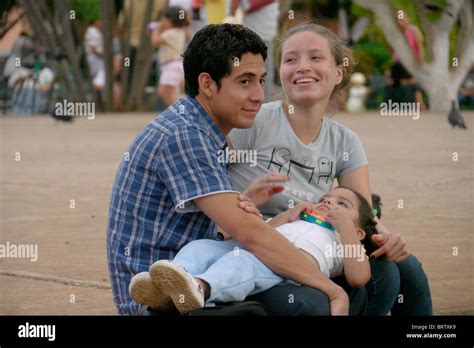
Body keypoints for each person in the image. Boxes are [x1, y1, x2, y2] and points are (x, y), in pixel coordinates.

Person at [107, 24, 350, 316]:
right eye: (245, 82)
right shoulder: (185, 136)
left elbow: (226, 231)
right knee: (309, 301)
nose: (260, 95)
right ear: (208, 84)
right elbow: (250, 235)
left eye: (261, 80)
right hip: (161, 300)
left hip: (201, 274)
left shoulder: (200, 128)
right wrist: (332, 289)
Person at [227, 21, 432, 315]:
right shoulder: (253, 122)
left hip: (320, 248)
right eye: (290, 60)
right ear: (280, 73)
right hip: (263, 250)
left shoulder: (345, 140)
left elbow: (363, 214)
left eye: (315, 57)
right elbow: (211, 185)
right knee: (377, 278)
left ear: (338, 73)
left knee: (399, 264)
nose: (302, 67)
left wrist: (388, 237)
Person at [129, 187, 379, 315]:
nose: (329, 202)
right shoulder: (299, 219)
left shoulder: (341, 241)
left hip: (284, 270)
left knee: (243, 265)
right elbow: (263, 231)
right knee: (202, 247)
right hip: (258, 245)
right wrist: (287, 215)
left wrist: (346, 229)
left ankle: (199, 287)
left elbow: (358, 277)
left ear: (358, 232)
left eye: (342, 204)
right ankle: (169, 287)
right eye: (326, 198)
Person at [151, 6, 188, 107]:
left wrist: (157, 29)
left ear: (171, 21)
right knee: (165, 92)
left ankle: (181, 114)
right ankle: (180, 112)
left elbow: (154, 41)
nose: (163, 22)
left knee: (166, 93)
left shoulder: (169, 33)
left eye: (165, 19)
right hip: (174, 65)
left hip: (171, 65)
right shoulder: (180, 31)